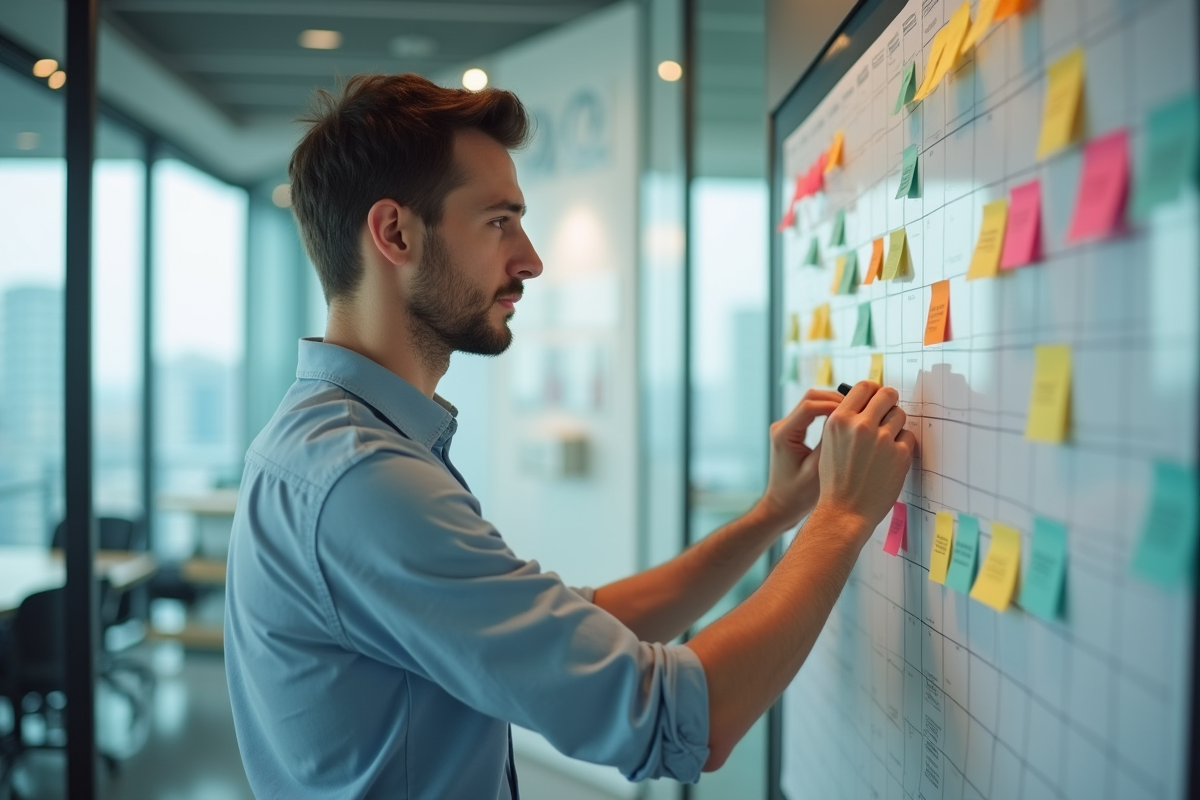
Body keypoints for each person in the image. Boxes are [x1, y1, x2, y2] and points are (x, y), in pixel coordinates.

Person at [224, 73, 916, 799]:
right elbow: (680, 721)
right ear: (395, 233)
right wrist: (840, 520)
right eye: (499, 222)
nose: (530, 259)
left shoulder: (331, 441)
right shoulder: (362, 481)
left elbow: (578, 625)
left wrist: (773, 515)